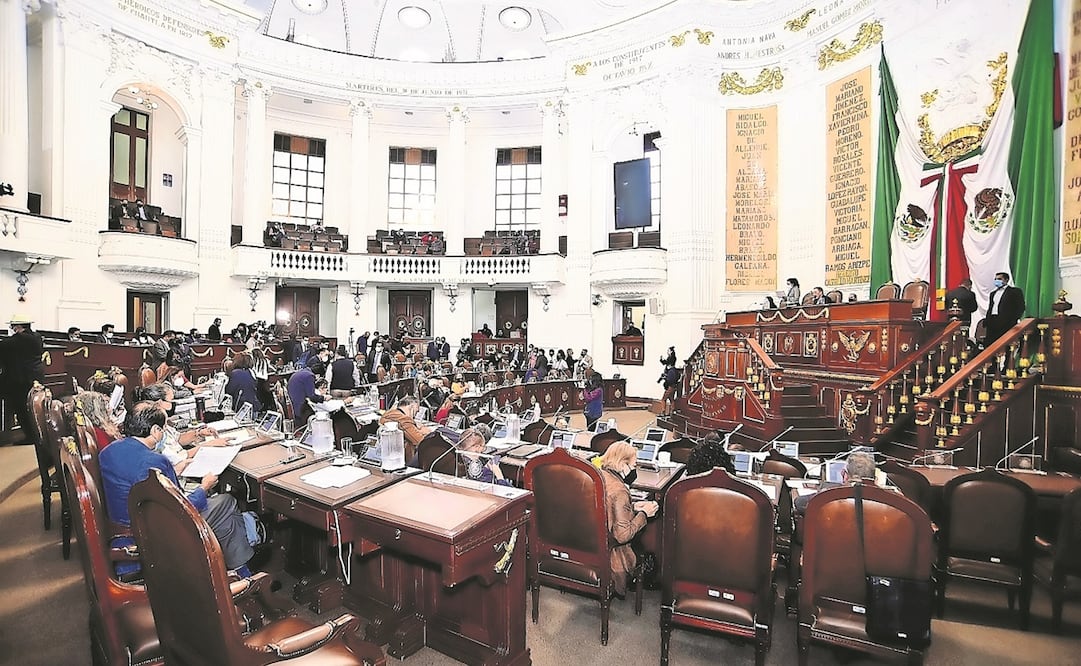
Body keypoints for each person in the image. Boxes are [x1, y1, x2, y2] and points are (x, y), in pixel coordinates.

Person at [99, 402, 262, 574]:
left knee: (225, 521)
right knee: (226, 502)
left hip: (125, 526)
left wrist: (174, 472)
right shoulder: (154, 461)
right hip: (155, 533)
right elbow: (181, 507)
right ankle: (241, 568)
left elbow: (136, 481)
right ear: (155, 430)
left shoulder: (107, 452)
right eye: (163, 429)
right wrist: (204, 487)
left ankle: (237, 567)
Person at [597, 442, 659, 596]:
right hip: (612, 555)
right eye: (633, 465)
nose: (634, 470)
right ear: (623, 464)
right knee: (646, 548)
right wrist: (644, 515)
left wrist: (633, 507)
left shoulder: (598, 476)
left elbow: (607, 508)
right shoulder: (620, 490)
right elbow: (622, 535)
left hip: (591, 543)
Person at [0, 314, 45, 446]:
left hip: (19, 381)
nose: (12, 329)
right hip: (36, 378)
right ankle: (36, 435)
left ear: (18, 327)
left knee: (21, 409)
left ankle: (28, 436)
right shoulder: (37, 337)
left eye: (13, 327)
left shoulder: (16, 340)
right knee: (32, 408)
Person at [794, 451, 879, 513]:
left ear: (844, 475)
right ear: (875, 479)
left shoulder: (827, 495)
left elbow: (799, 503)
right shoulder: (888, 501)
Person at [379, 396, 432, 461]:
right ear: (411, 407)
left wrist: (414, 425)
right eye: (416, 411)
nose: (416, 414)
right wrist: (426, 431)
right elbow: (419, 440)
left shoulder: (388, 414)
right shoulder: (404, 420)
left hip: (386, 455)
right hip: (403, 459)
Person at [984, 272, 1026, 346]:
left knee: (1005, 344)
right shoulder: (993, 293)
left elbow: (1021, 306)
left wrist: (1014, 319)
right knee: (991, 344)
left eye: (999, 279)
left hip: (1006, 322)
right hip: (992, 321)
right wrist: (987, 320)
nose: (997, 281)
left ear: (1006, 280)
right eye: (996, 279)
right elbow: (990, 307)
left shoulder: (1014, 291)